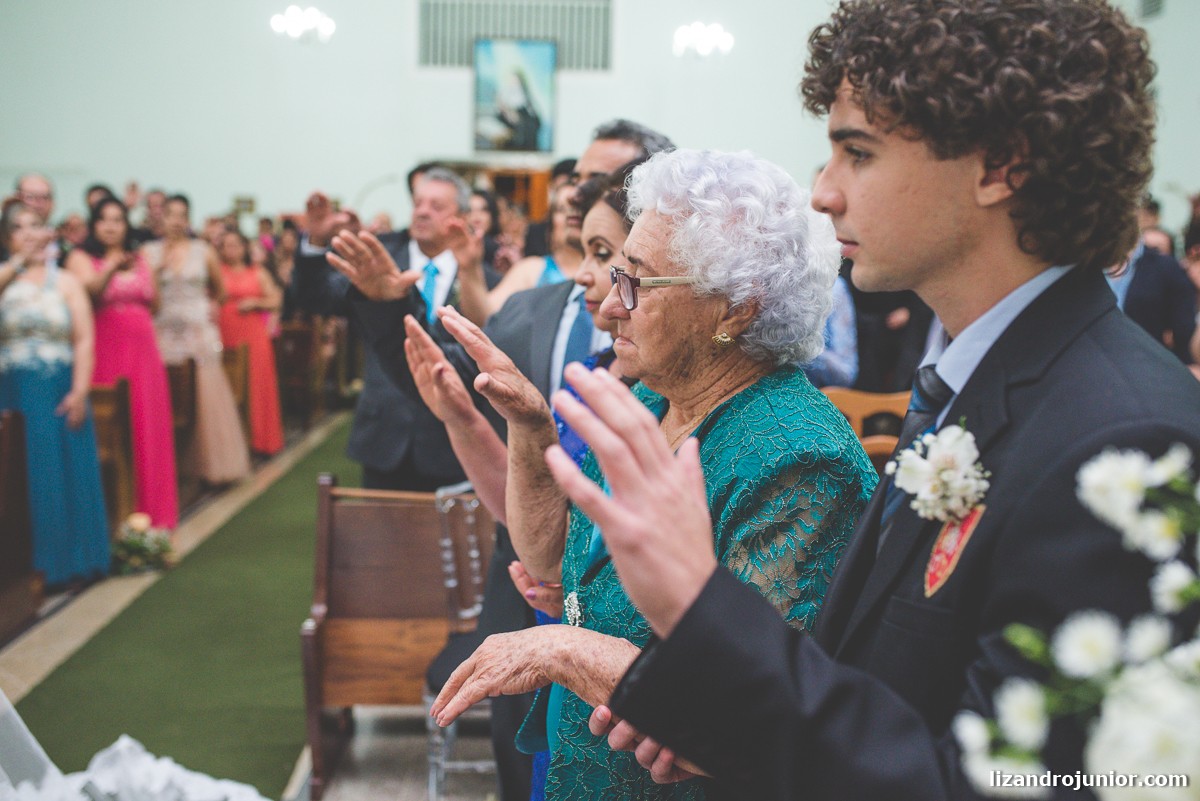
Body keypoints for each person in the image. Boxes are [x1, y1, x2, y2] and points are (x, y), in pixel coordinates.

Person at [548, 3, 1200, 800]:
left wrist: (698, 603)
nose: (823, 192)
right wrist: (731, 729)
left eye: (858, 151)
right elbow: (879, 687)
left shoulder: (1121, 437)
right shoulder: (977, 382)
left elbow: (1014, 784)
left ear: (1001, 165)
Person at [428, 149, 877, 800]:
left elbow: (753, 708)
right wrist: (530, 428)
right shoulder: (649, 401)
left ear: (733, 311)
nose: (610, 307)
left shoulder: (798, 460)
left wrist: (563, 647)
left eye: (635, 281)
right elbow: (552, 558)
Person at [322, 125, 674, 801]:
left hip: (624, 607)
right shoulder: (531, 303)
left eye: (611, 178)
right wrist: (386, 305)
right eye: (577, 176)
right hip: (527, 573)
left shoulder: (664, 360)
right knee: (525, 753)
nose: (580, 190)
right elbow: (452, 386)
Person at [292, 167, 500, 490]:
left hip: (453, 444)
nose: (422, 211)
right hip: (384, 435)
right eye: (418, 203)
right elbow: (316, 298)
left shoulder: (485, 280)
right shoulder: (380, 257)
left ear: (460, 216)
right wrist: (317, 243)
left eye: (436, 205)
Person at [0, 204, 109, 587]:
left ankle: (68, 561)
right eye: (18, 228)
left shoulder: (65, 282)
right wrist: (15, 264)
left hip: (57, 388)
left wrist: (80, 390)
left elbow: (83, 339)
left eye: (35, 226)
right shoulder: (5, 279)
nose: (28, 233)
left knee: (57, 473)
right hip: (11, 392)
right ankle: (20, 566)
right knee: (19, 475)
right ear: (6, 237)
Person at [66, 198, 178, 530]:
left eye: (118, 220)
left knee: (148, 427)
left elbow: (155, 303)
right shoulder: (80, 258)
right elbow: (88, 295)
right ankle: (113, 516)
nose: (112, 226)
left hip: (144, 353)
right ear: (94, 225)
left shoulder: (140, 257)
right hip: (105, 351)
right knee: (113, 431)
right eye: (104, 220)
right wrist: (112, 268)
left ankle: (152, 513)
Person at [149, 195, 250, 485]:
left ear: (188, 219)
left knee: (204, 399)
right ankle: (168, 465)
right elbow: (147, 296)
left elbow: (220, 290)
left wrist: (206, 309)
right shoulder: (149, 252)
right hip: (163, 332)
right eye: (171, 214)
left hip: (197, 332)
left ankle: (208, 466)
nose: (177, 221)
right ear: (162, 217)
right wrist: (157, 273)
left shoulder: (203, 250)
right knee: (170, 399)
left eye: (182, 215)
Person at [458, 187, 583, 326]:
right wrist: (469, 269)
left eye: (579, 206)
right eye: (561, 209)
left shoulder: (607, 271)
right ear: (551, 223)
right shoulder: (532, 269)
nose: (572, 214)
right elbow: (486, 316)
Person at [217, 229, 284, 456]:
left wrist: (255, 302)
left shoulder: (257, 272)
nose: (231, 249)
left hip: (253, 335)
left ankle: (261, 441)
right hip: (225, 333)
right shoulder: (217, 272)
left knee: (257, 386)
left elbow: (275, 300)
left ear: (244, 247)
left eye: (236, 244)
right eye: (226, 245)